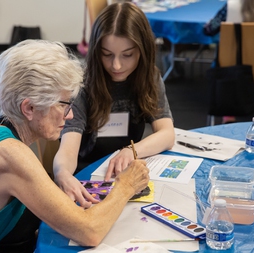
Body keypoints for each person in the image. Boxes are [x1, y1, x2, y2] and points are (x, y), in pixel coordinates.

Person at [0, 40, 150, 252]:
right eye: (63, 105)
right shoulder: (9, 153)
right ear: (29, 107)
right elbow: (90, 231)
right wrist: (126, 186)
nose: (70, 115)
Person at [53, 3, 175, 208]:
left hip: (127, 174)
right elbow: (68, 150)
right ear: (95, 51)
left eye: (127, 55)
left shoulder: (148, 77)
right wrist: (62, 173)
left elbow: (167, 134)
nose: (116, 65)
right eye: (107, 54)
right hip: (88, 175)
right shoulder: (83, 84)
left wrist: (130, 150)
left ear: (143, 51)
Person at [204, 0, 254, 123]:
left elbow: (209, 30)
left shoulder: (229, 7)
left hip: (232, 68)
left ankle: (228, 113)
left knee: (225, 62)